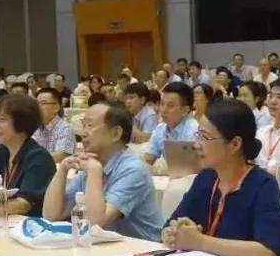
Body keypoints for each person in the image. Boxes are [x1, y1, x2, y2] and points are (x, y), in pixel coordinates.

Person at [163, 99, 280, 256]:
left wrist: (200, 242)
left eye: (205, 137)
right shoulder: (206, 178)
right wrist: (172, 234)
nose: (197, 145)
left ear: (235, 144)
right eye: (198, 135)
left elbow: (266, 252)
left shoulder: (263, 185)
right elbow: (170, 224)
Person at [43, 102, 165, 241]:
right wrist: (62, 170)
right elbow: (51, 215)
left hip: (148, 248)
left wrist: (94, 171)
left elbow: (95, 222)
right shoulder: (93, 163)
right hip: (112, 247)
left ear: (116, 134)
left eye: (90, 126)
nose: (83, 133)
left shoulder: (133, 170)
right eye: (83, 125)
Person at [143, 82, 199, 166]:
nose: (163, 110)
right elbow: (148, 160)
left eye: (170, 106)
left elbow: (191, 167)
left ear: (185, 110)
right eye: (162, 104)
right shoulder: (160, 129)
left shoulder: (194, 130)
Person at [33, 87, 76, 163]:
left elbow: (60, 156)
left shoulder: (65, 128)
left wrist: (31, 159)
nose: (37, 107)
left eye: (43, 103)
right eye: (36, 104)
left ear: (56, 107)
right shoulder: (35, 128)